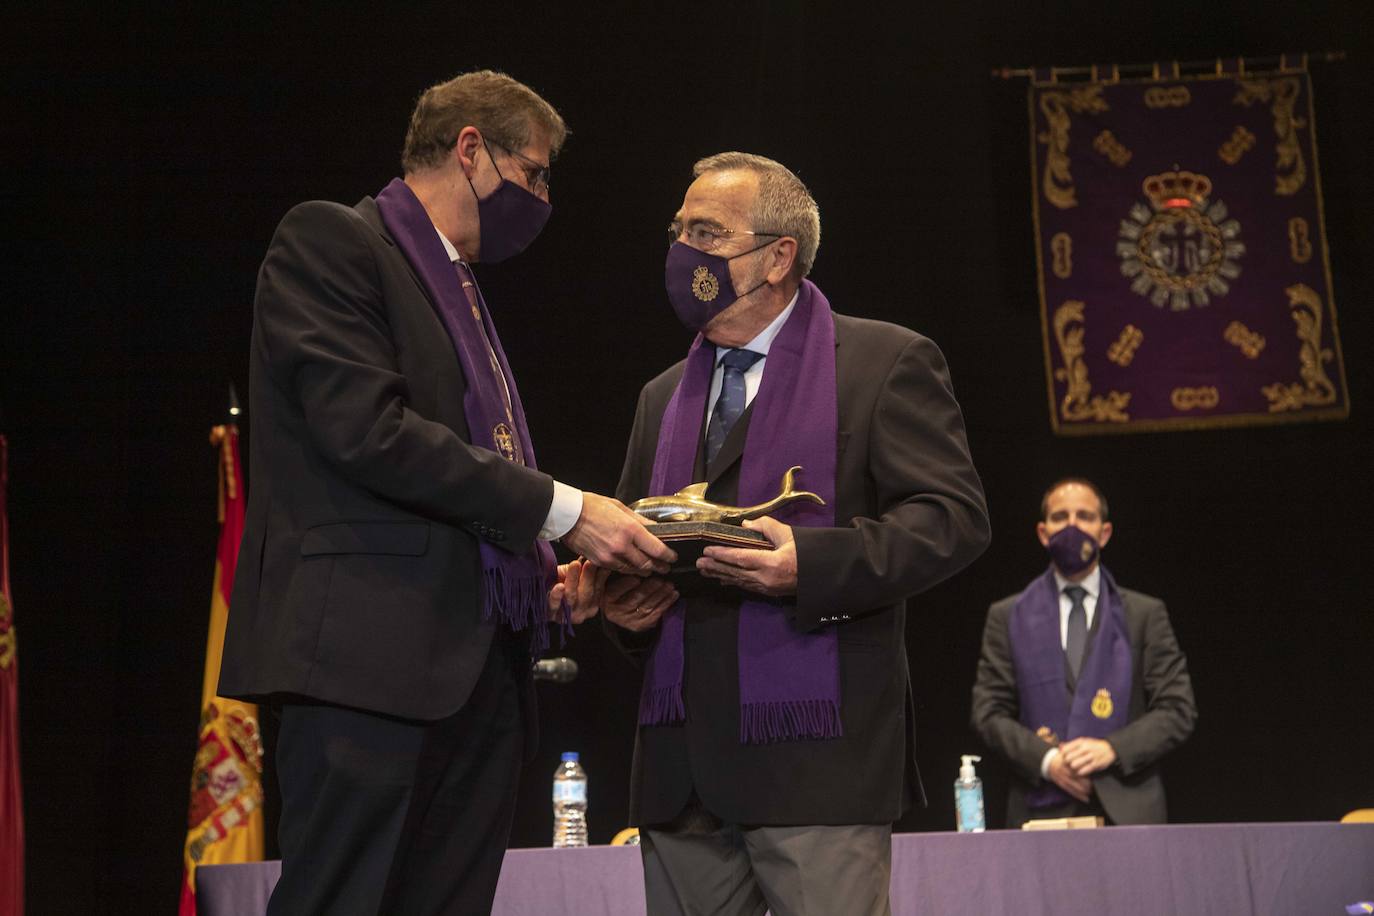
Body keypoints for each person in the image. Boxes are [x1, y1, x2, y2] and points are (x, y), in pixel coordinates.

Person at [218, 70, 673, 915]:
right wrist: (569, 513)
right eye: (534, 174)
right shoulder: (332, 241)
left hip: (477, 682)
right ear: (470, 149)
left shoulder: (461, 293)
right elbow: (369, 433)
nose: (543, 201)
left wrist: (545, 583)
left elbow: (467, 485)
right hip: (365, 670)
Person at [591, 152, 989, 916]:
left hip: (818, 762)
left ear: (779, 257)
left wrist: (813, 562)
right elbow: (641, 539)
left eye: (707, 233)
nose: (683, 252)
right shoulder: (662, 396)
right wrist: (622, 611)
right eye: (678, 232)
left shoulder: (883, 362)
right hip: (683, 772)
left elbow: (952, 519)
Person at [970, 478, 1197, 827]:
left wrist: (1112, 749)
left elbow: (1177, 709)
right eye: (1060, 517)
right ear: (1043, 532)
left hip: (1129, 810)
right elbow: (988, 712)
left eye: (1085, 517)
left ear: (1104, 533)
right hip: (1039, 812)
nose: (1072, 526)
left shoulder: (1144, 615)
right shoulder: (1007, 616)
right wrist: (1048, 761)